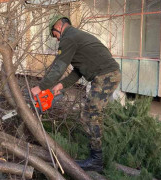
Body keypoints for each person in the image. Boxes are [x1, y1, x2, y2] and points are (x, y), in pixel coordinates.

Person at [31, 14, 121, 172]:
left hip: (105, 76)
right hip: (107, 75)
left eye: (55, 35)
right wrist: (61, 85)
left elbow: (59, 66)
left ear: (58, 26)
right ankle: (94, 154)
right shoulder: (75, 36)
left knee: (91, 115)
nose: (57, 40)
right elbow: (78, 71)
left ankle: (96, 160)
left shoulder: (69, 38)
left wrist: (42, 86)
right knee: (87, 116)